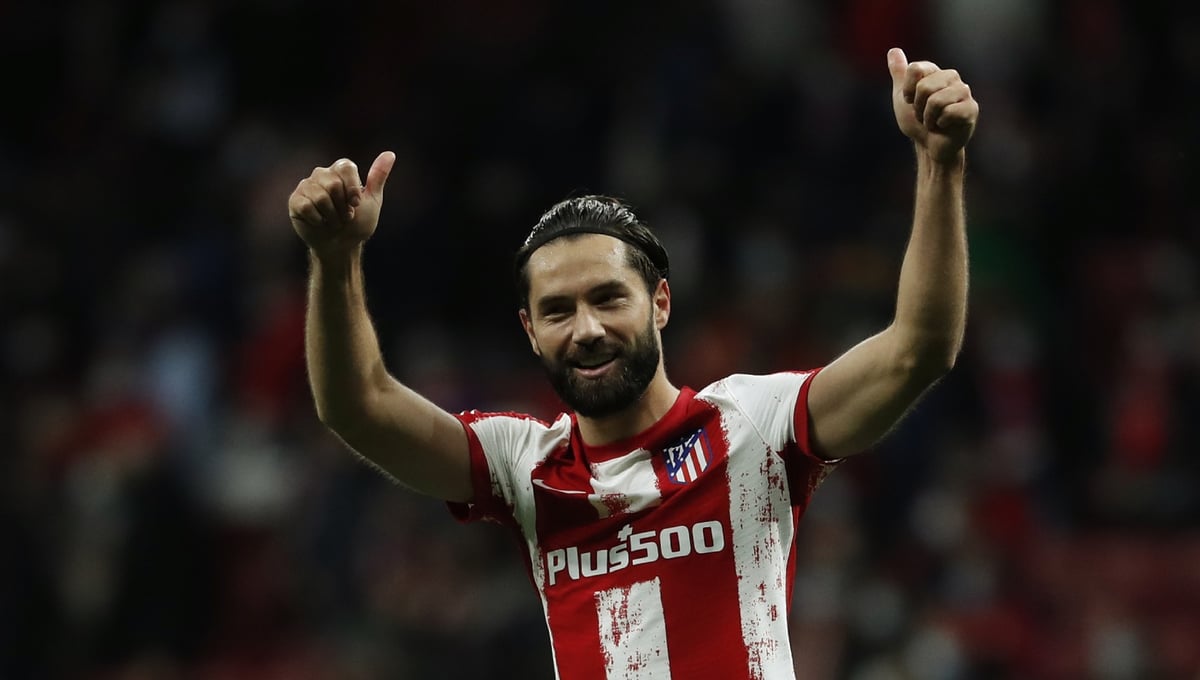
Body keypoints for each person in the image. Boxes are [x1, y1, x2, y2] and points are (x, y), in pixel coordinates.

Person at [287, 47, 978, 680]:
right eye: (558, 310)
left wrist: (939, 163)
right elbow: (358, 408)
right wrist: (335, 257)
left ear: (661, 303)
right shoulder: (524, 466)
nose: (586, 329)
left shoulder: (754, 424)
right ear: (530, 332)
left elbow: (917, 350)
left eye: (608, 298)